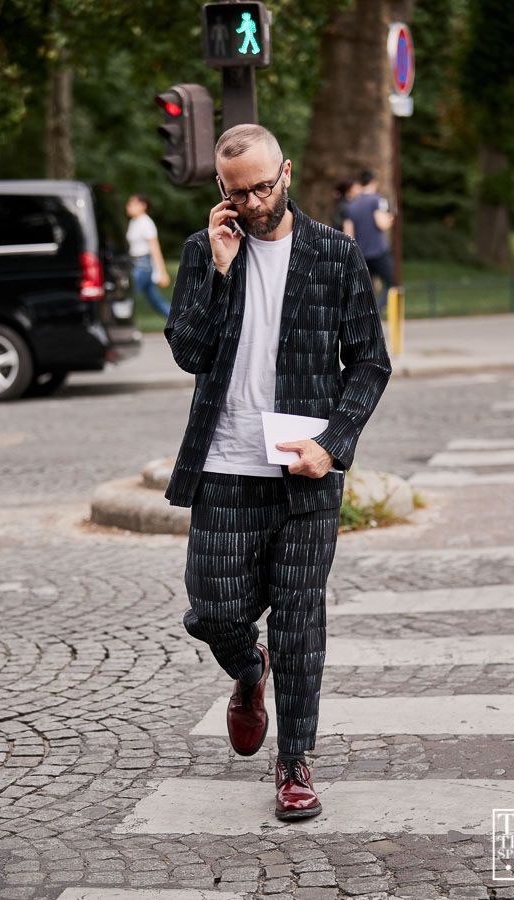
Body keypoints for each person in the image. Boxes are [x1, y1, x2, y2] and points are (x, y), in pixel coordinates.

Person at [164, 125, 391, 821]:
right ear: (222, 192)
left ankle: (295, 763)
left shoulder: (335, 255)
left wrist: (334, 441)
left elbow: (370, 364)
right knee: (214, 611)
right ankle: (247, 670)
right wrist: (222, 269)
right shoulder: (205, 251)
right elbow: (189, 352)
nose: (256, 202)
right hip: (226, 464)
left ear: (286, 172)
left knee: (298, 619)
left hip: (305, 471)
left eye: (266, 186)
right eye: (240, 192)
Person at [343, 169, 394, 313]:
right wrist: (390, 219)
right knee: (392, 283)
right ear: (373, 182)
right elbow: (381, 223)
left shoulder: (351, 205)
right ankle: (377, 310)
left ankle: (366, 313)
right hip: (378, 251)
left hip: (362, 253)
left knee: (367, 288)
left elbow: (349, 234)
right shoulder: (376, 199)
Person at [125, 193, 171, 318]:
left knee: (127, 297)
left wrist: (162, 272)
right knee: (155, 301)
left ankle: (124, 327)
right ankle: (180, 324)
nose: (128, 206)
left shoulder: (146, 223)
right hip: (135, 263)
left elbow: (155, 249)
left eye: (131, 203)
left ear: (142, 206)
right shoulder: (134, 222)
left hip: (143, 266)